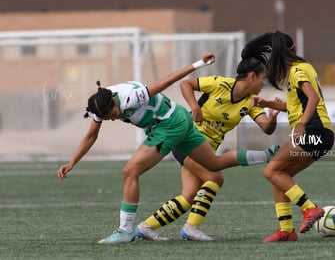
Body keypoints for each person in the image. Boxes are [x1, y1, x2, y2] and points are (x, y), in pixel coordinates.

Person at [57, 52, 277, 244]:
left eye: (113, 115)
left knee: (130, 171)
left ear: (115, 102)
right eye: (108, 118)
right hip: (181, 120)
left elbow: (167, 81)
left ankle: (125, 231)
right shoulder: (98, 106)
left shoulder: (131, 97)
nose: (113, 119)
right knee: (214, 165)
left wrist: (198, 64)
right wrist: (72, 162)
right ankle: (267, 155)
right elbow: (91, 135)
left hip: (170, 124)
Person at [135, 40, 280, 241]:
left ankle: (145, 227)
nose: (264, 83)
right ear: (251, 76)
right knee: (215, 177)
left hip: (205, 151)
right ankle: (191, 228)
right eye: (262, 77)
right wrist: (194, 106)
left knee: (189, 196)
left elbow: (266, 128)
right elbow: (186, 84)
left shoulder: (251, 103)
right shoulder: (220, 84)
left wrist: (273, 117)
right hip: (186, 139)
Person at [250, 31, 335, 242]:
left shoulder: (297, 71)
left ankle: (310, 209)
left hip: (313, 131)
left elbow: (313, 98)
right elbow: (297, 105)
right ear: (294, 48)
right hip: (322, 133)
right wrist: (268, 104)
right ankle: (286, 230)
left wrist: (302, 124)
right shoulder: (301, 69)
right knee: (280, 176)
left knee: (271, 170)